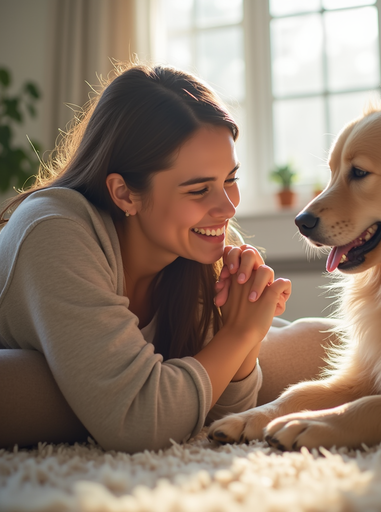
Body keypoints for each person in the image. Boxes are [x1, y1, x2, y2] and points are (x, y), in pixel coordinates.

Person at [0, 63, 337, 453]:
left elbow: (223, 416)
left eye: (230, 179)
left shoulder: (192, 245)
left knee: (335, 346)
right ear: (125, 193)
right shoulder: (54, 228)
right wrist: (238, 334)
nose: (227, 208)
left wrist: (248, 342)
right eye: (199, 190)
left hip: (150, 376)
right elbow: (140, 424)